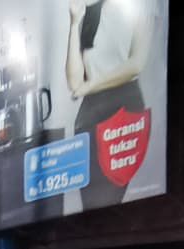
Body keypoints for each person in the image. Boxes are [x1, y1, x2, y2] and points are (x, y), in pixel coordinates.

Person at [65, 0, 158, 211]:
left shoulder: (142, 4)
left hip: (123, 108)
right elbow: (74, 82)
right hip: (88, 115)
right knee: (90, 207)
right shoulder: (90, 11)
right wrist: (74, 23)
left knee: (107, 204)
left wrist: (91, 86)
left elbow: (137, 64)